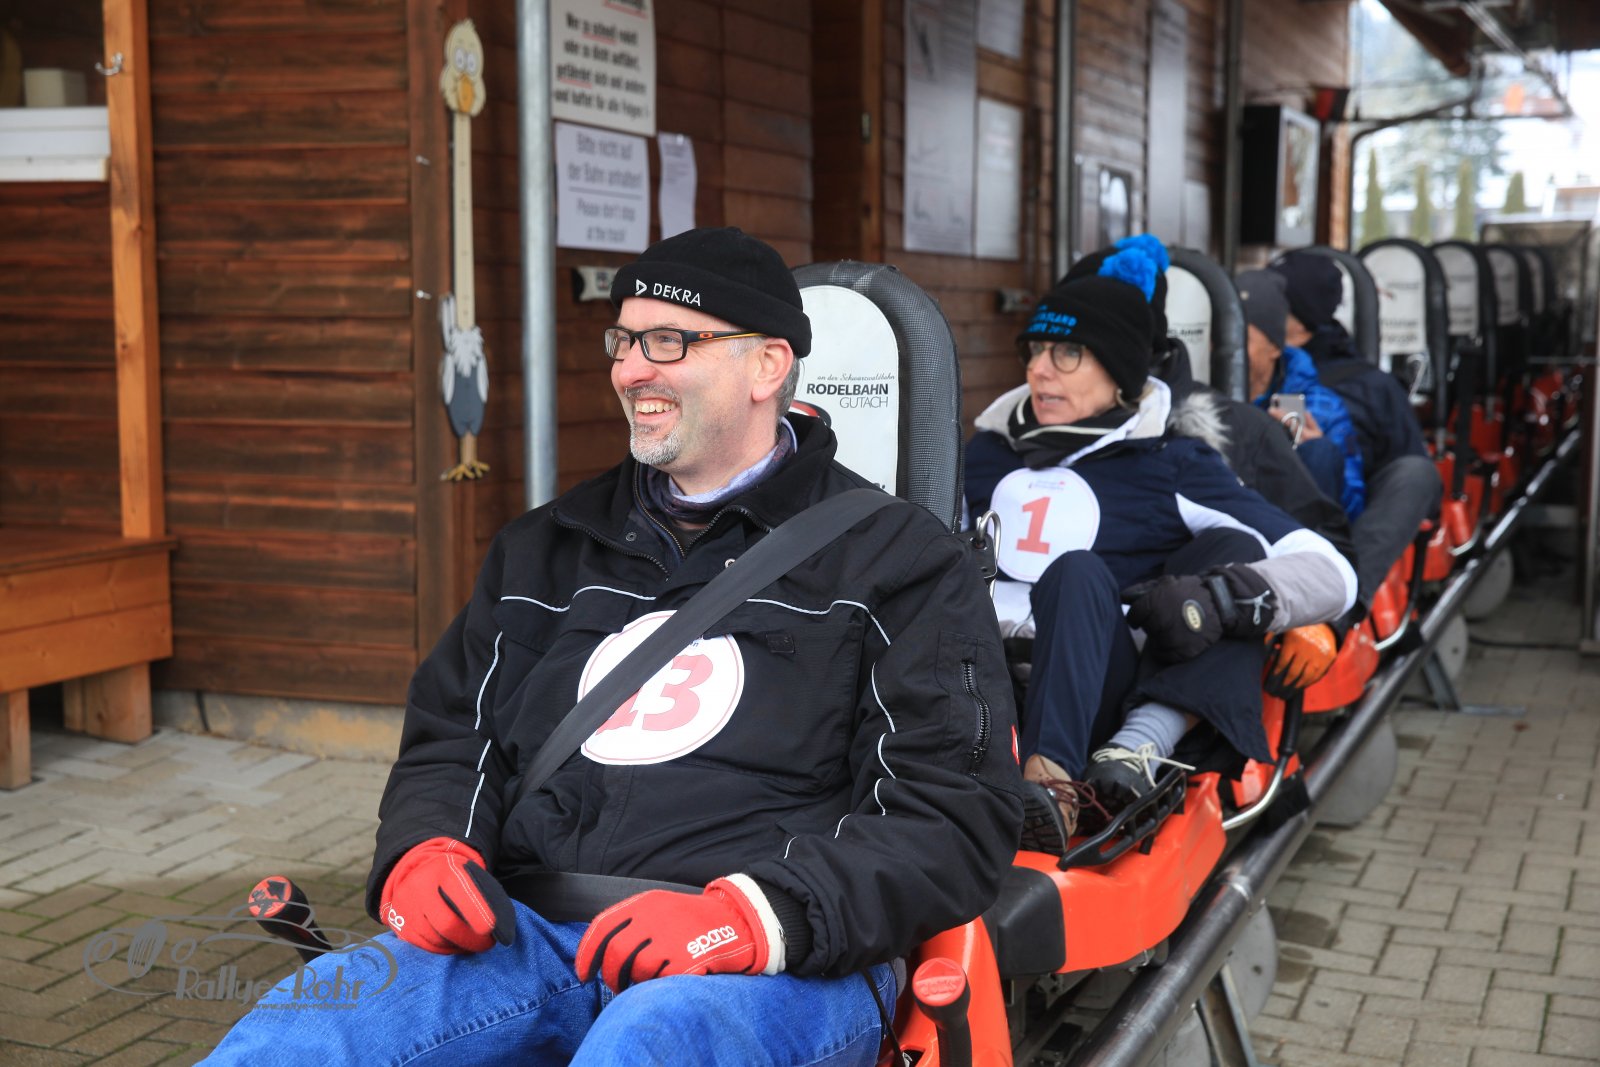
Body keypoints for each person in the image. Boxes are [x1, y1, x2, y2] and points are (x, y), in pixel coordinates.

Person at [205, 227, 1024, 1066]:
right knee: (308, 1025)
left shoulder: (901, 561)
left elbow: (951, 812)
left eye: (668, 341)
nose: (632, 369)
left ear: (767, 365)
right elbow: (456, 735)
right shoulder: (544, 549)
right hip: (531, 935)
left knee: (650, 1042)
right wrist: (425, 845)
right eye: (624, 341)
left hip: (777, 962)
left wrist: (747, 917)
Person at [965, 245, 1355, 845]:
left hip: (1091, 689)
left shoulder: (1171, 461)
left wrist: (1226, 598)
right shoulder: (983, 453)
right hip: (978, 683)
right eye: (1035, 350)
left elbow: (1333, 572)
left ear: (1119, 369)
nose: (1040, 370)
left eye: (1067, 353)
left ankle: (1052, 791)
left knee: (1078, 572)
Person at [1065, 236, 1357, 569]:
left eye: (1073, 349)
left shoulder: (1243, 430)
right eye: (1041, 347)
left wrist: (1226, 592)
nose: (1043, 368)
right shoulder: (1020, 427)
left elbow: (1328, 555)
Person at [1269, 250, 1443, 607]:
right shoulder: (1245, 367)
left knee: (1416, 474)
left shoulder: (1371, 385)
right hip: (1264, 514)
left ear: (1299, 321)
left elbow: (1416, 491)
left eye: (1273, 305)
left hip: (1348, 523)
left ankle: (1342, 602)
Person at [1235, 268, 1366, 520]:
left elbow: (1353, 508)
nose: (1225, 349)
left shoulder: (1322, 408)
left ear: (1275, 347)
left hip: (1296, 531)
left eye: (1241, 338)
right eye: (1218, 336)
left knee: (1320, 452)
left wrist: (1317, 464)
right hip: (1225, 529)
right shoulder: (1200, 401)